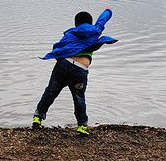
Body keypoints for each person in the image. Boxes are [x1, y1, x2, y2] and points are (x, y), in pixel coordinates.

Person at [32, 8, 117, 136]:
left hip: (63, 66)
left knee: (50, 92)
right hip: (80, 70)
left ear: (76, 24)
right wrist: (108, 11)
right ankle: (82, 126)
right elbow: (102, 20)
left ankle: (37, 118)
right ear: (90, 23)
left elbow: (59, 47)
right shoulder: (95, 31)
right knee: (79, 98)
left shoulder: (70, 33)